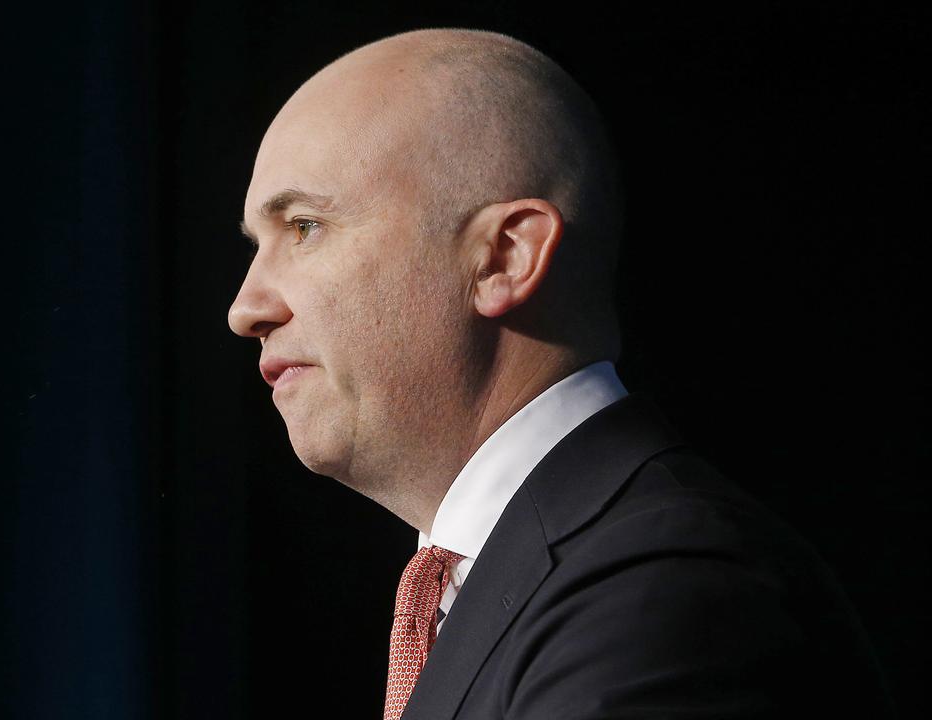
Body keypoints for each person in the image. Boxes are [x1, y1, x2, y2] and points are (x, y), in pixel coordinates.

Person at [227, 28, 891, 719]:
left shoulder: (666, 585)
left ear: (505, 257)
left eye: (304, 227)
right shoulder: (500, 580)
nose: (245, 309)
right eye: (257, 245)